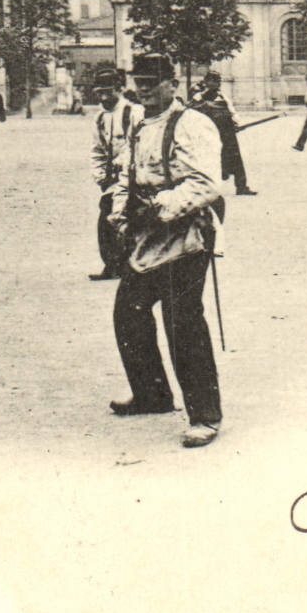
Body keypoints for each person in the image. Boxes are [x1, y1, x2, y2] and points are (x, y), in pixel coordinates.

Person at [104, 54, 225, 448]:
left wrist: (158, 208)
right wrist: (121, 215)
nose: (143, 90)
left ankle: (205, 416)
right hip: (146, 237)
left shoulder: (194, 124)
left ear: (173, 84)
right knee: (129, 313)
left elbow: (206, 184)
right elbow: (125, 176)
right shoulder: (139, 126)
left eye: (152, 82)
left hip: (186, 234)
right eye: (139, 82)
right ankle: (152, 394)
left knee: (183, 322)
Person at [89, 69, 135, 280]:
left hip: (132, 176)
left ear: (119, 89)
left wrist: (120, 164)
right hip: (112, 180)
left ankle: (129, 265)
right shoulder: (99, 118)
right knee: (105, 221)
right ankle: (112, 265)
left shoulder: (133, 113)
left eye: (108, 92)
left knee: (128, 220)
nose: (103, 98)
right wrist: (99, 175)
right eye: (99, 93)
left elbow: (135, 144)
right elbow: (97, 149)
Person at [191, 70, 257, 196]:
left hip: (227, 132)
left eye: (218, 81)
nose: (217, 83)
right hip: (209, 134)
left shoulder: (222, 97)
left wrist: (237, 123)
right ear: (207, 82)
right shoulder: (198, 97)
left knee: (236, 158)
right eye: (214, 80)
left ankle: (241, 187)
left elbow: (232, 112)